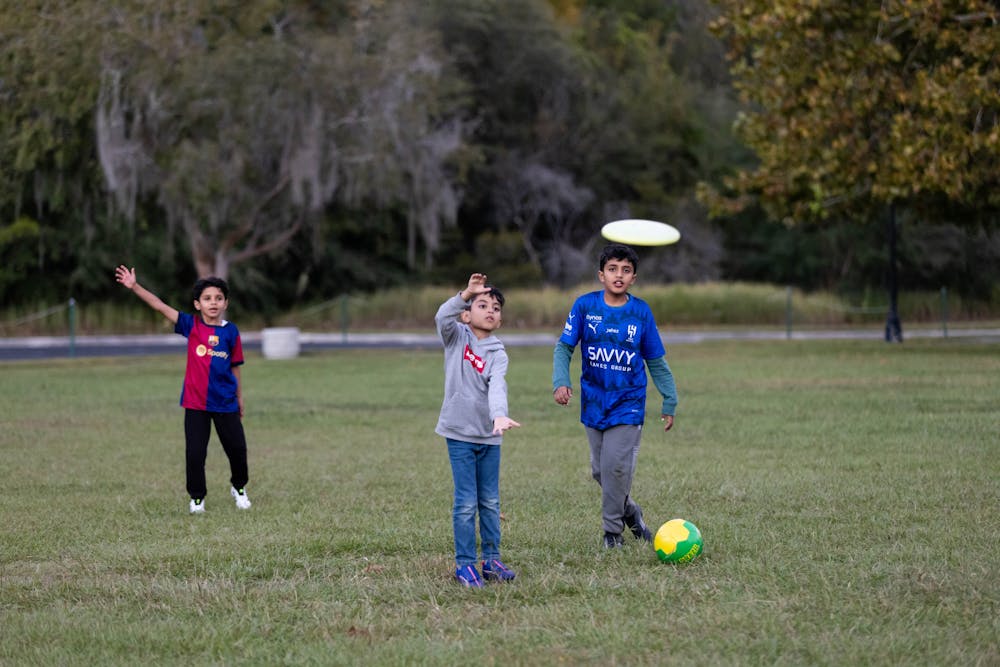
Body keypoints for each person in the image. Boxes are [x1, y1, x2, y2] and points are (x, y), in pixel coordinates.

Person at [552, 243, 678, 549]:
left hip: (629, 402)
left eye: (626, 270)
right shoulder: (585, 306)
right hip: (594, 401)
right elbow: (564, 347)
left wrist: (669, 398)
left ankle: (612, 534)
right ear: (601, 274)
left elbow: (656, 360)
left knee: (616, 467)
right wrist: (561, 380)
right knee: (600, 471)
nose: (618, 275)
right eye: (612, 269)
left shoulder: (641, 312)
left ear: (633, 277)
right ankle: (631, 512)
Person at [115, 265, 252, 514]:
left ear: (225, 303)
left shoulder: (231, 332)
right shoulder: (191, 325)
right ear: (198, 304)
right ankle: (197, 498)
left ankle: (239, 488)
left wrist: (240, 398)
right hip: (196, 403)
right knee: (195, 453)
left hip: (226, 402)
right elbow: (159, 305)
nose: (213, 303)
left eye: (218, 298)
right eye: (207, 298)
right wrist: (134, 286)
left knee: (238, 450)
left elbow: (236, 367)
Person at [435, 273, 521, 587]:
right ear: (467, 314)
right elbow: (441, 315)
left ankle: (491, 561)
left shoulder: (498, 354)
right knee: (466, 502)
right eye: (482, 305)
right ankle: (465, 564)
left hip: (489, 436)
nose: (490, 311)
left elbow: (498, 387)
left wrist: (499, 417)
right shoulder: (455, 336)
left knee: (490, 502)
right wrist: (465, 293)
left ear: (499, 319)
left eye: (496, 308)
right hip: (458, 433)